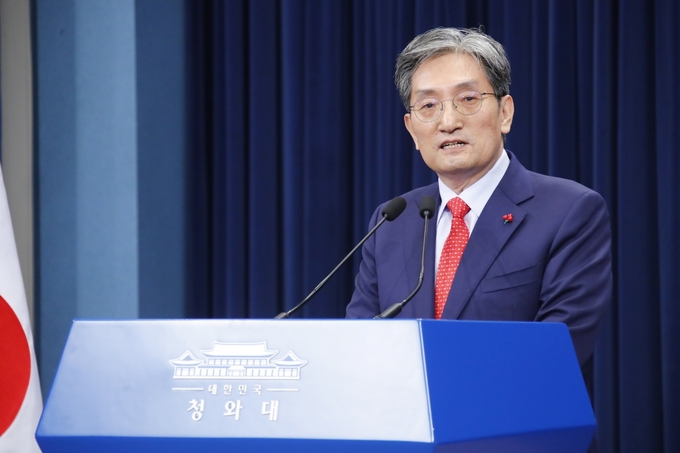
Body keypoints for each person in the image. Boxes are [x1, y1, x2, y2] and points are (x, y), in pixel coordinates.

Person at [345, 27, 611, 375]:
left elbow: (556, 352)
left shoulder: (569, 211)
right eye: (429, 105)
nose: (448, 122)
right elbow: (358, 346)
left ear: (505, 113)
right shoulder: (392, 221)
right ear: (411, 130)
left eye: (468, 99)